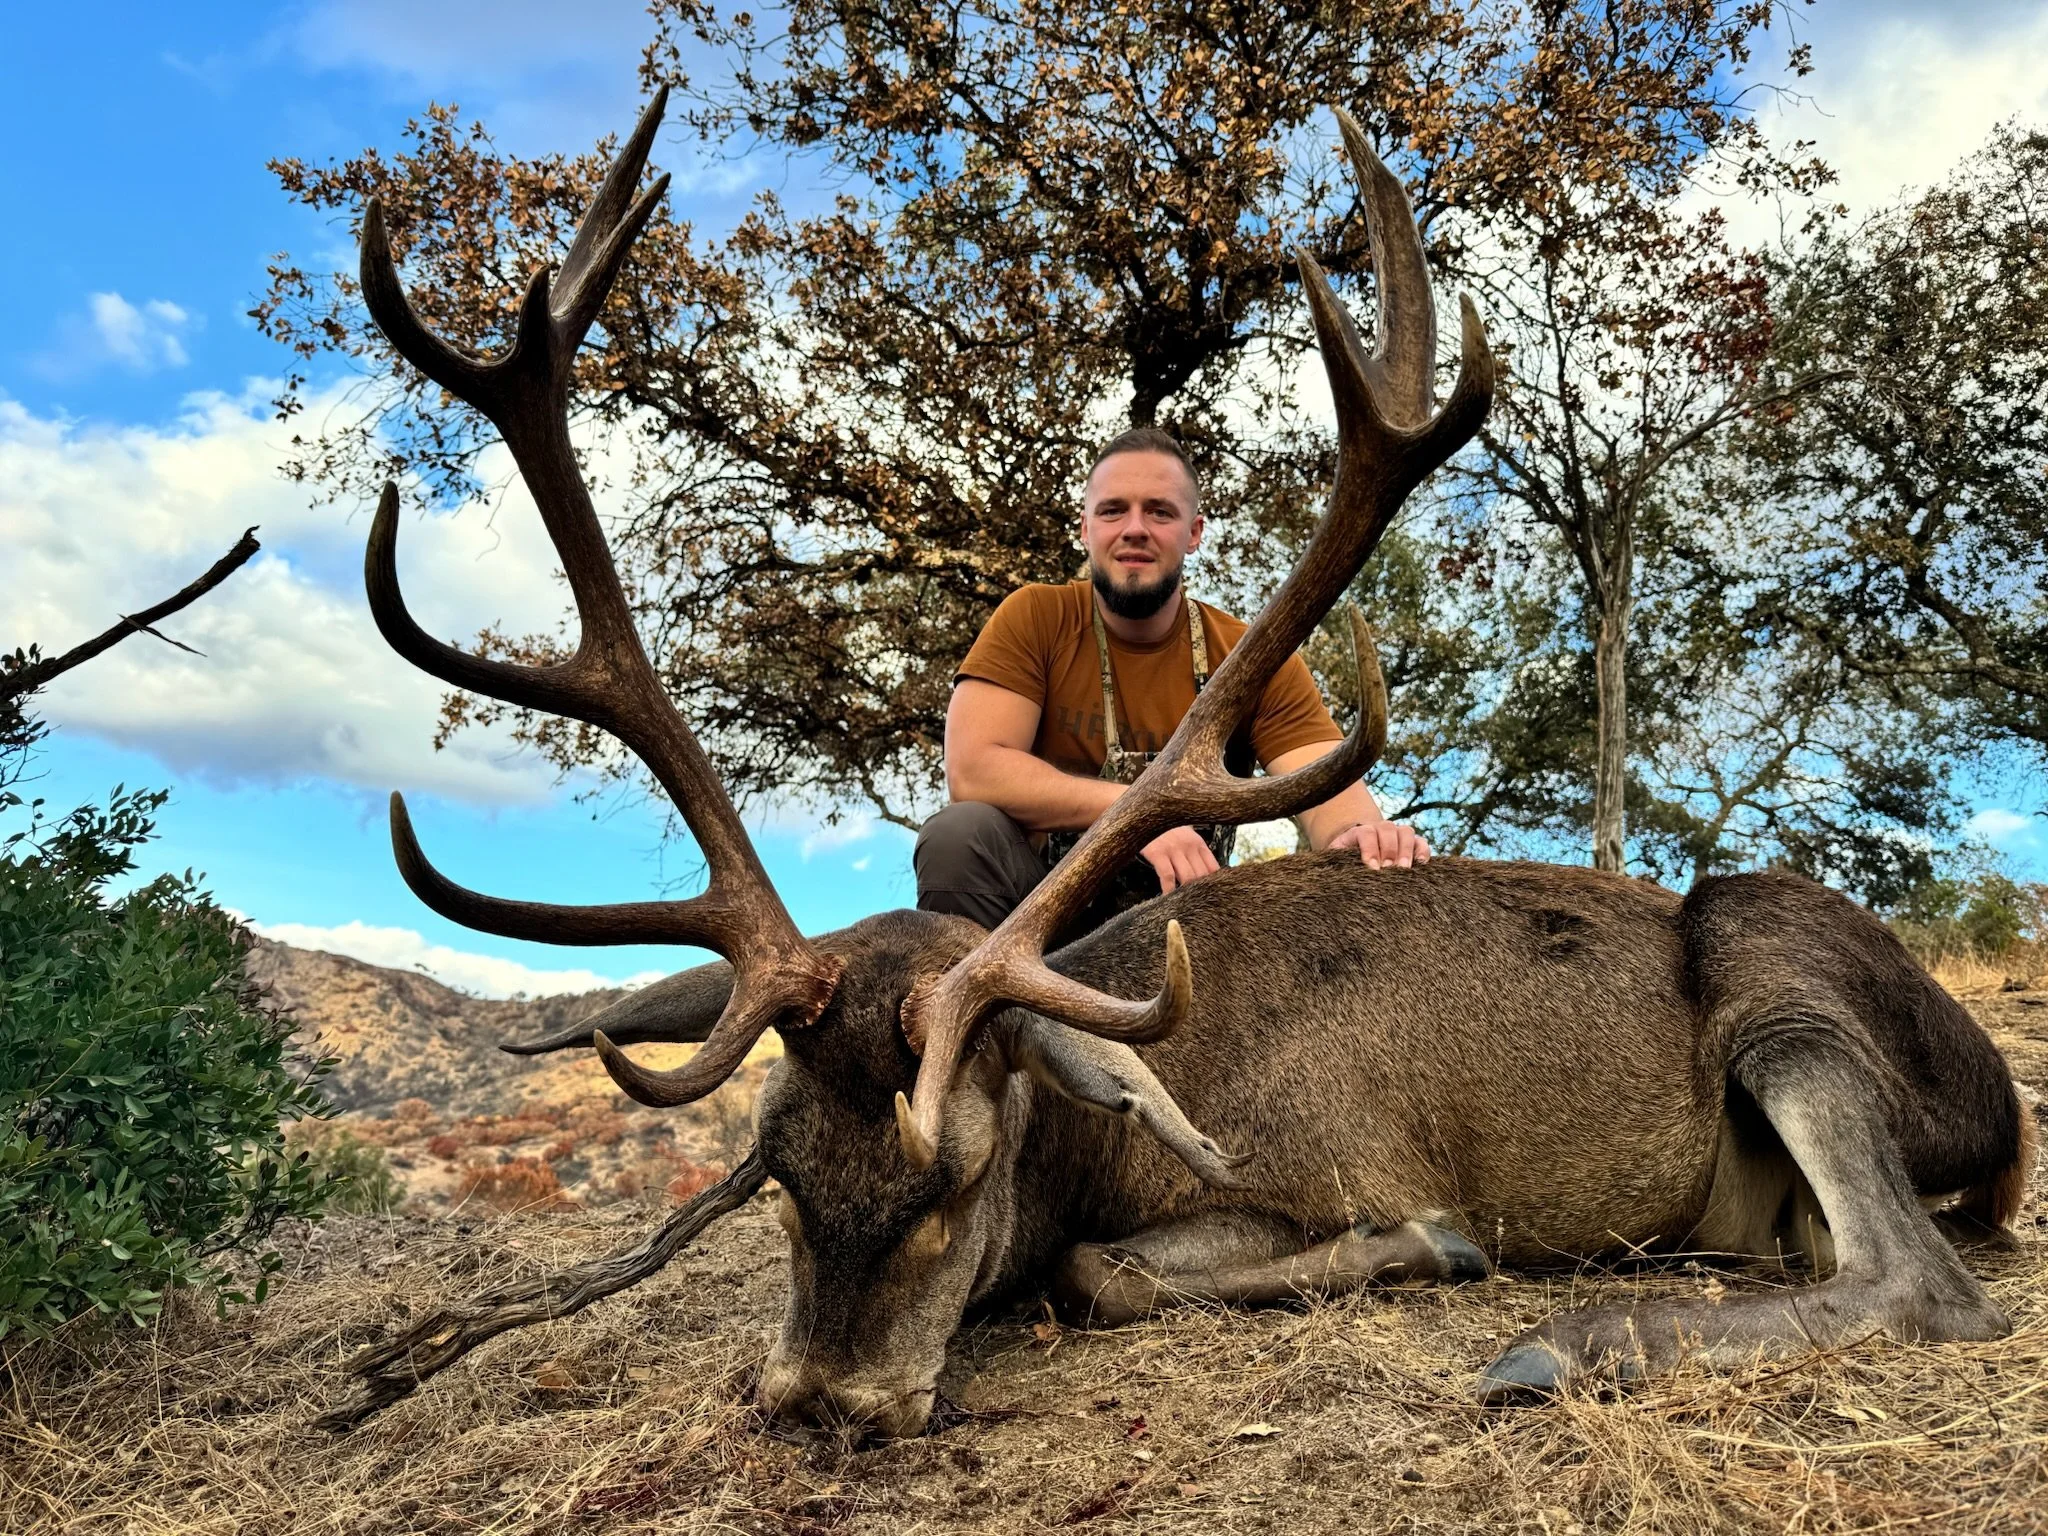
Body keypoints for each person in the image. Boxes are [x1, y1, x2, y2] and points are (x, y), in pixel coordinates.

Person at [914, 426, 1431, 934]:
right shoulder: (1035, 616)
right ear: (1086, 529)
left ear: (1194, 533)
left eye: (1160, 512)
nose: (1134, 527)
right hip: (1037, 928)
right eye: (1113, 509)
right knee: (959, 836)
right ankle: (979, 1019)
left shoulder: (1252, 654)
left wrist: (1364, 836)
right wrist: (1135, 816)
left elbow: (1331, 796)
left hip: (1187, 930)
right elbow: (975, 770)